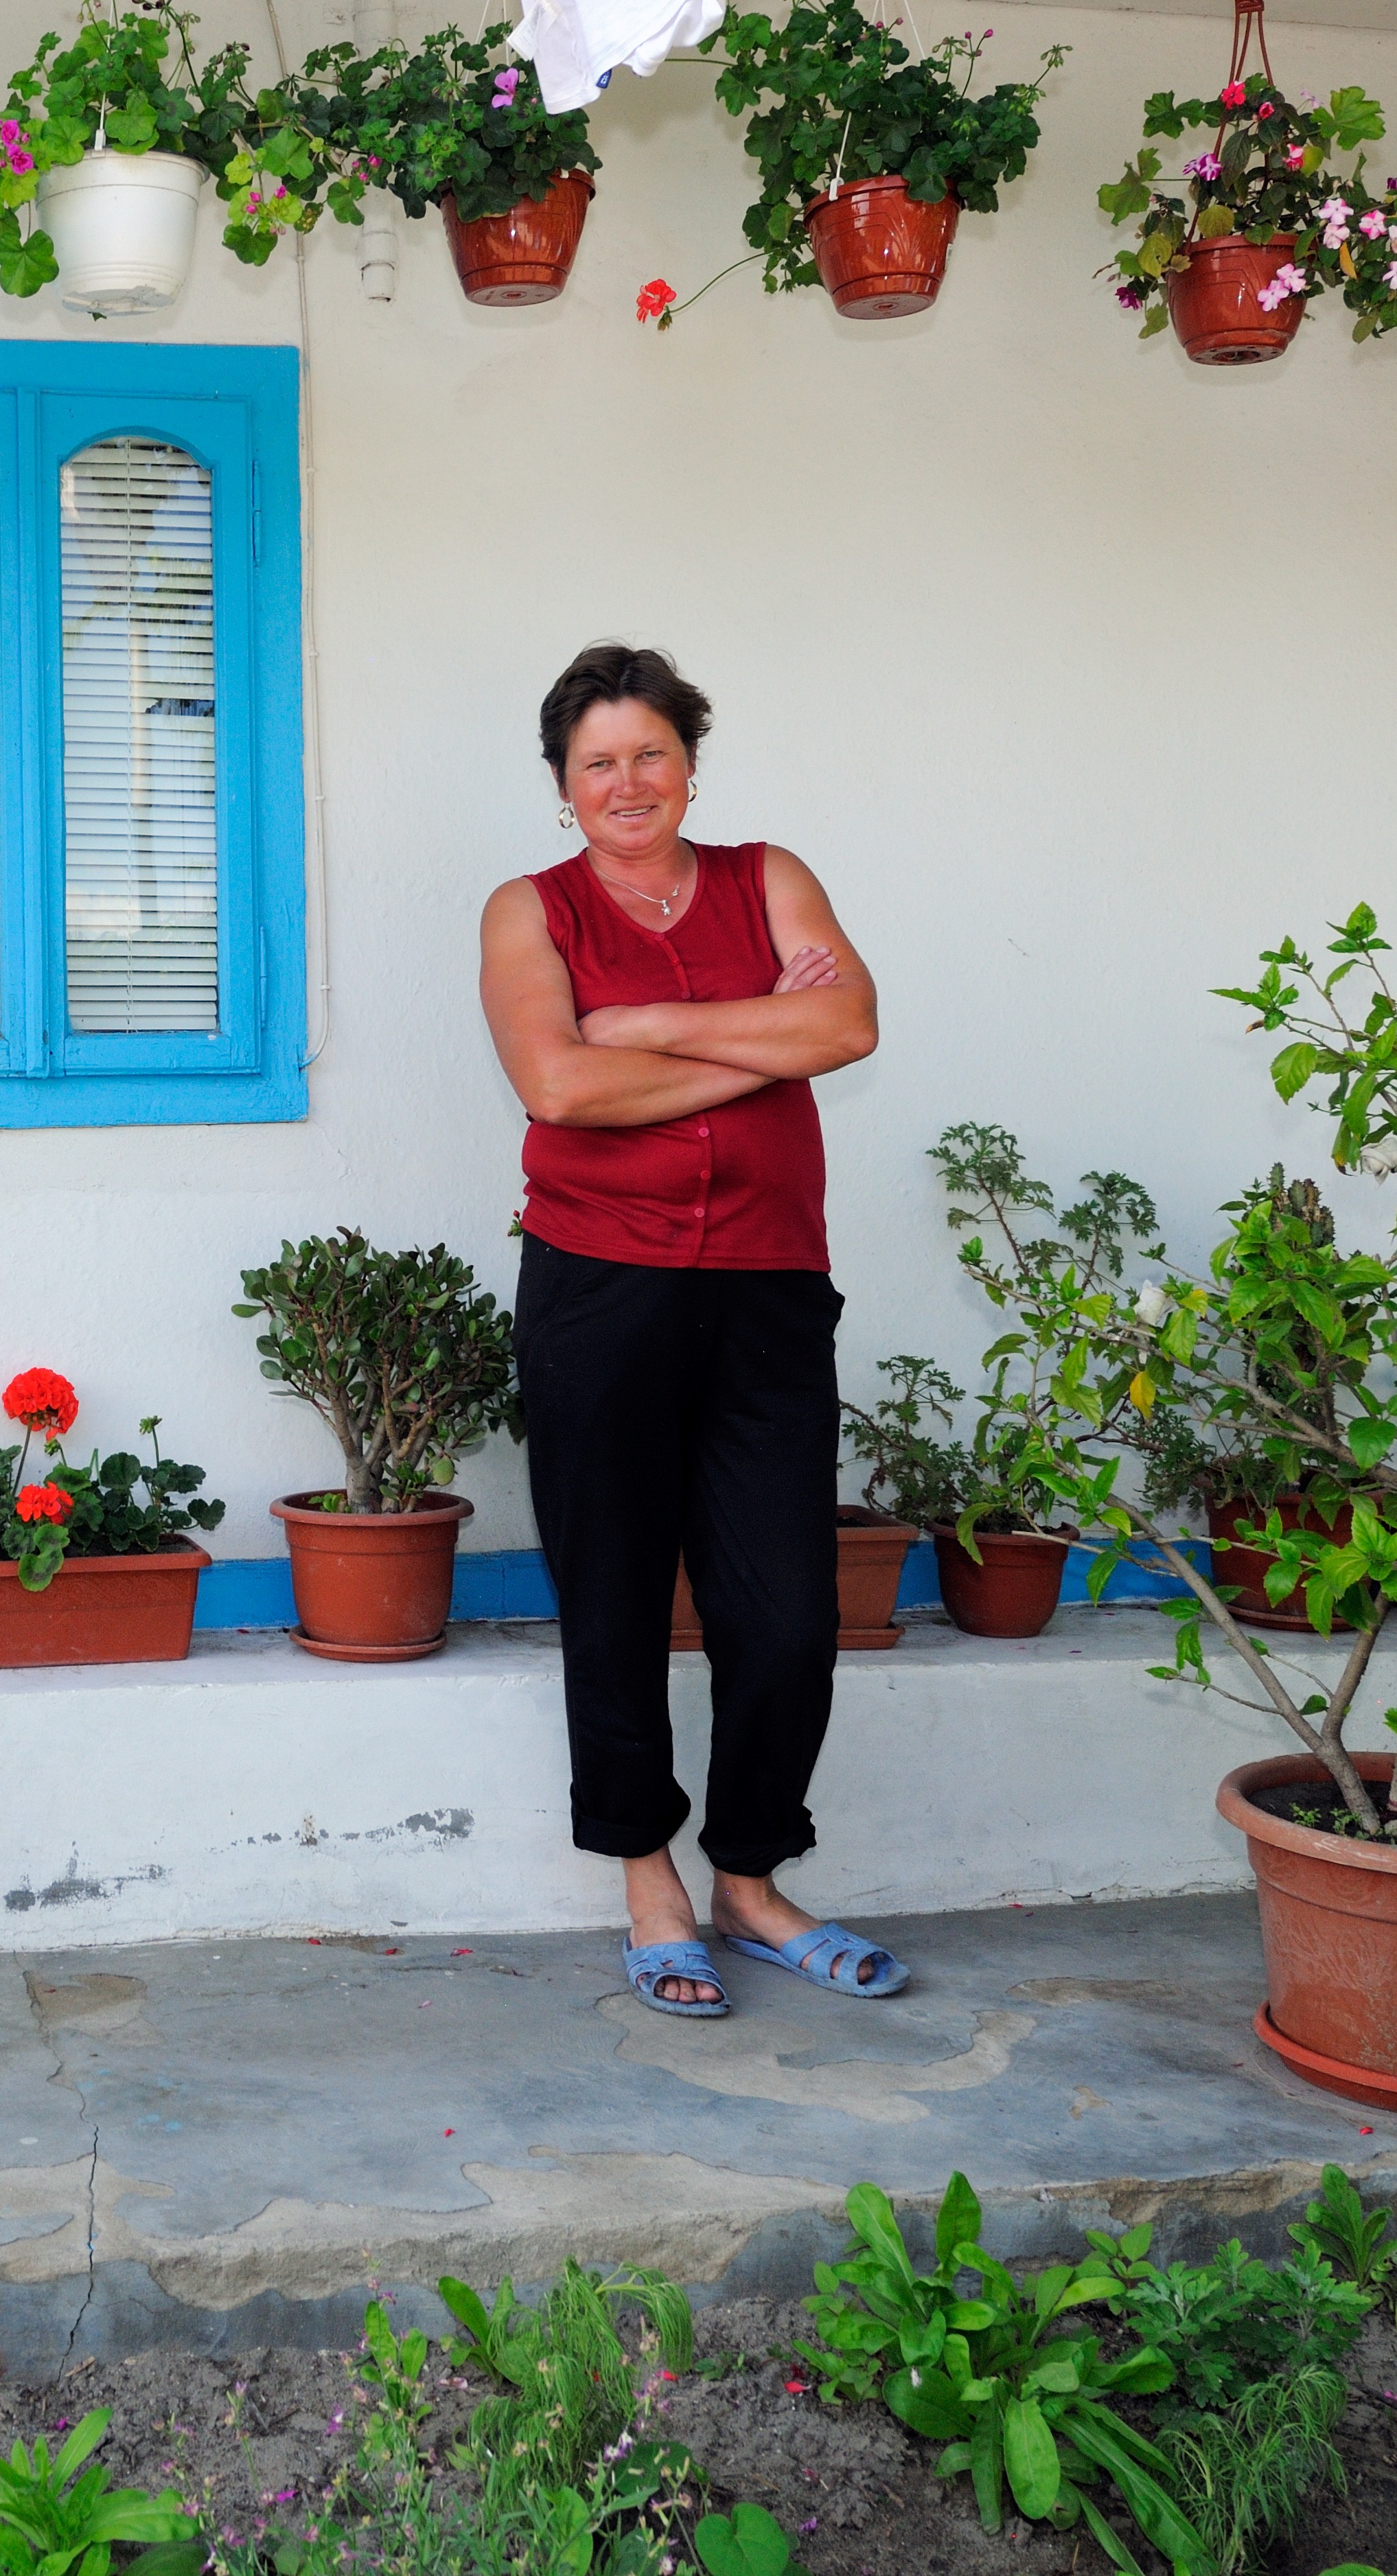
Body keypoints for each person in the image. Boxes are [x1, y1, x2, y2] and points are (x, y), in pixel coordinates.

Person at [474, 642, 897, 2018]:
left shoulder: (768, 876)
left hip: (770, 1283)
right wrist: (755, 1034)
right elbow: (559, 1087)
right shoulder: (526, 911)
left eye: (650, 752)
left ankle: (754, 1880)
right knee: (613, 1597)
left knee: (785, 1616)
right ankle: (649, 1877)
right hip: (601, 1287)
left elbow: (850, 1029)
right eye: (598, 762)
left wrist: (652, 1022)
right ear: (562, 787)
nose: (627, 781)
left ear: (690, 765)